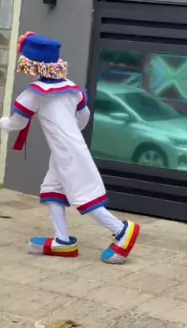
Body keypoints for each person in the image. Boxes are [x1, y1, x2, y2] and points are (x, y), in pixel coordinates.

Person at [0, 32, 140, 262]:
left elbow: (17, 123)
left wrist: (2, 122)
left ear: (32, 65)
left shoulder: (34, 94)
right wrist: (68, 131)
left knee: (83, 197)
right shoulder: (72, 89)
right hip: (68, 151)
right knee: (52, 191)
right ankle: (62, 241)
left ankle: (121, 230)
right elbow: (84, 117)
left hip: (68, 154)